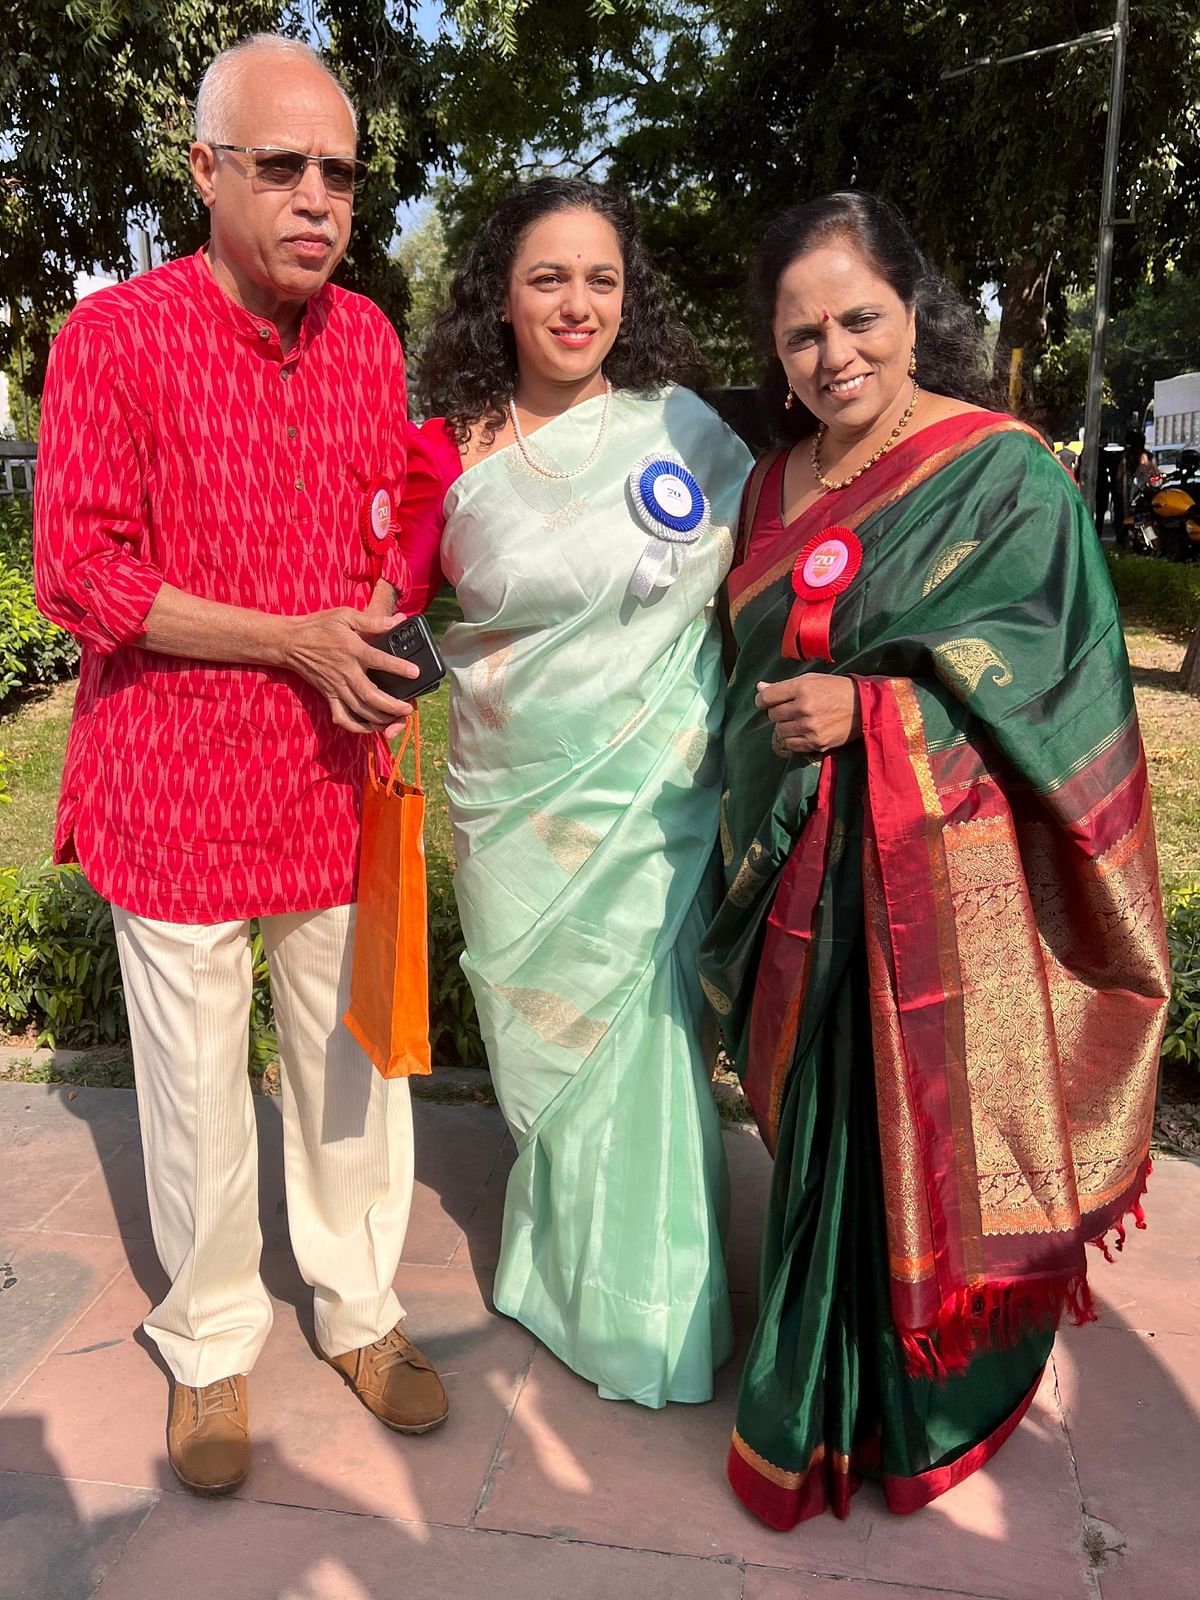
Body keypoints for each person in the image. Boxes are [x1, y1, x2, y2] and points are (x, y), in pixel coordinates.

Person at [699, 192, 1170, 1528]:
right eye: (801, 334)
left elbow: (1062, 685)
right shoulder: (764, 485)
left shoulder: (1001, 469)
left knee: (914, 1136)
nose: (833, 354)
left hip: (942, 887)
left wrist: (878, 712)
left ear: (915, 314)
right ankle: (832, 1380)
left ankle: (914, 1403)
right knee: (819, 1157)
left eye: (860, 318)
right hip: (799, 878)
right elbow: (740, 680)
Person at [33, 34, 448, 1498]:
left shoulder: (371, 343)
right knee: (198, 1088)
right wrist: (293, 641)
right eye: (282, 167)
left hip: (333, 775)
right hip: (176, 780)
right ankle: (210, 1345)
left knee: (348, 1067)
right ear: (205, 170)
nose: (317, 198)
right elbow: (76, 572)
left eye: (339, 171)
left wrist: (384, 634)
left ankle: (358, 1306)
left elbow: (383, 526)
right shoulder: (113, 340)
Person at [398, 178, 752, 1406]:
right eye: (548, 276)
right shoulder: (447, 450)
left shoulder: (686, 434)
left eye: (602, 278)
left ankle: (652, 1309)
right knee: (541, 1054)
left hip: (654, 802)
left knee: (647, 1051)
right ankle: (553, 1267)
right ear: (500, 292)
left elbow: (766, 577)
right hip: (513, 801)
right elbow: (380, 603)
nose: (577, 303)